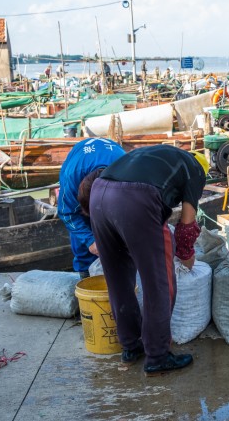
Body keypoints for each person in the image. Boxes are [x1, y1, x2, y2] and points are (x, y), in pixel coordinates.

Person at [81, 145, 209, 376]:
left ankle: (130, 346)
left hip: (99, 196)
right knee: (157, 282)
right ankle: (158, 357)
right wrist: (187, 255)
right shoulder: (196, 170)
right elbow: (187, 227)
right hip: (136, 200)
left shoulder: (162, 155)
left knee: (118, 280)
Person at [58, 138, 126, 277]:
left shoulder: (127, 175)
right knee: (83, 242)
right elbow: (67, 213)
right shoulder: (72, 178)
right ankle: (84, 274)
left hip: (116, 175)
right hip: (79, 160)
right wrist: (90, 241)